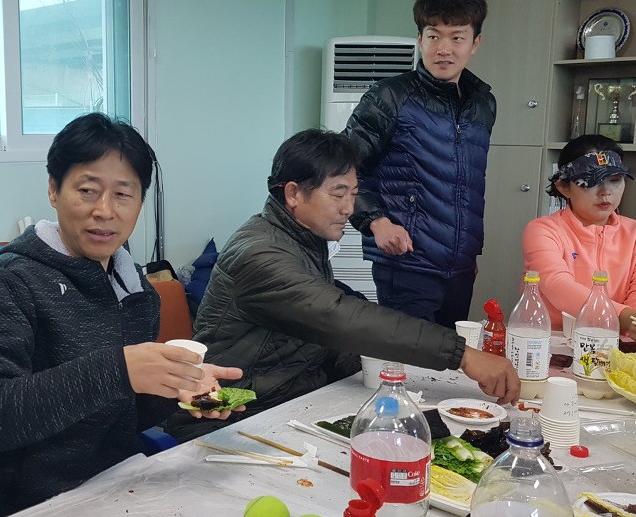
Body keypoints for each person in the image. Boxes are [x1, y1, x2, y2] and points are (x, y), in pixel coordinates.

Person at [0, 113, 243, 517]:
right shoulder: (4, 284)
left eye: (123, 195)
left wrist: (176, 387)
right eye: (87, 190)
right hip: (20, 515)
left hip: (115, 492)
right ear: (54, 190)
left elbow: (122, 413)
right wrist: (119, 371)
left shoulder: (134, 288)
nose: (104, 211)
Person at [163, 130, 520, 443]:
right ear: (293, 194)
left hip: (290, 401)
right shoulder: (260, 253)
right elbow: (338, 317)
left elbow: (335, 323)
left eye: (353, 194)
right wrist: (461, 355)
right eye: (338, 194)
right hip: (228, 419)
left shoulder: (301, 240)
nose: (349, 208)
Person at [345, 0, 493, 328]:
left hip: (459, 269)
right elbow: (343, 168)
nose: (444, 49)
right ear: (420, 39)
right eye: (433, 36)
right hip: (406, 262)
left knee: (450, 357)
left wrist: (467, 251)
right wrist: (377, 222)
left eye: (457, 37)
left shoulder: (483, 103)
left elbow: (469, 185)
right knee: (411, 357)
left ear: (475, 43)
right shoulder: (389, 96)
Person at [522, 134, 636, 347]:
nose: (606, 192)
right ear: (564, 187)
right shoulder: (543, 230)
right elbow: (558, 286)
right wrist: (623, 316)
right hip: (550, 342)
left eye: (615, 180)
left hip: (614, 345)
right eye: (590, 182)